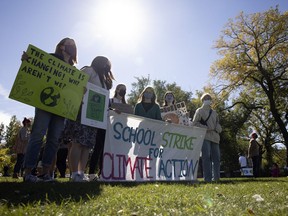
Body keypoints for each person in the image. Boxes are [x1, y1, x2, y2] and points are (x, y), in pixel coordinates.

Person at [23, 38, 78, 182]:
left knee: (54, 140)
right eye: (69, 44)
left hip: (61, 108)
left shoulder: (74, 70)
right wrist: (27, 60)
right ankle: (28, 172)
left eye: (74, 45)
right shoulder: (50, 59)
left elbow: (74, 90)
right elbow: (35, 68)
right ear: (61, 46)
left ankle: (46, 172)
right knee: (38, 135)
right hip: (45, 102)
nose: (72, 46)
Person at [66, 56, 115, 182]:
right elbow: (75, 84)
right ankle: (74, 174)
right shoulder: (89, 71)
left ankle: (82, 173)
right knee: (77, 142)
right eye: (106, 63)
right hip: (82, 111)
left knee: (87, 145)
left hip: (94, 115)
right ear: (100, 62)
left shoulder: (104, 79)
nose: (107, 66)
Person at [88, 83, 127, 181]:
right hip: (104, 128)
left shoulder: (126, 105)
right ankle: (92, 172)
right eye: (122, 89)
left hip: (117, 131)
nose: (123, 91)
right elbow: (104, 111)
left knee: (110, 151)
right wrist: (113, 111)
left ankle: (104, 172)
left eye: (125, 90)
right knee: (98, 149)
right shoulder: (109, 101)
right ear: (117, 90)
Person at [192, 93, 222, 182]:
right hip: (205, 136)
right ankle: (208, 178)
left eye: (209, 98)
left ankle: (216, 178)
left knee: (216, 158)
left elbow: (218, 123)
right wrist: (205, 128)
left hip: (215, 137)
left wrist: (218, 128)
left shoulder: (214, 112)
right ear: (202, 100)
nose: (207, 99)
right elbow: (195, 123)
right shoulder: (199, 111)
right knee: (206, 157)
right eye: (205, 98)